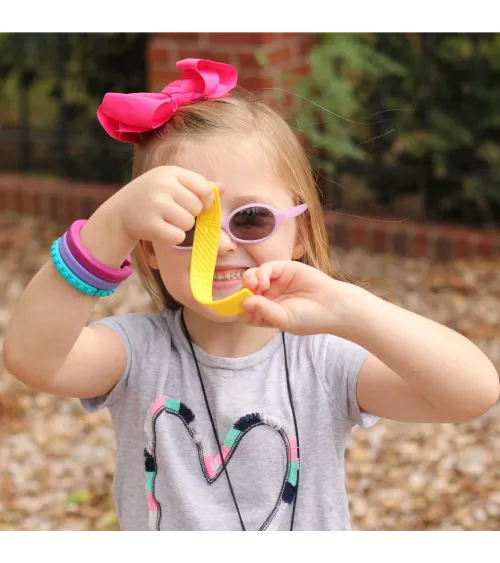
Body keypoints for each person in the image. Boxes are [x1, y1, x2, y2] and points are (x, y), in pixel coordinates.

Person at [3, 58, 498, 534]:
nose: (218, 245)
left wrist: (350, 308)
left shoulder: (322, 360)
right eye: (187, 227)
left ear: (300, 234)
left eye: (252, 218)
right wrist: (107, 228)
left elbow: (470, 392)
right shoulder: (137, 354)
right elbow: (31, 358)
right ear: (148, 251)